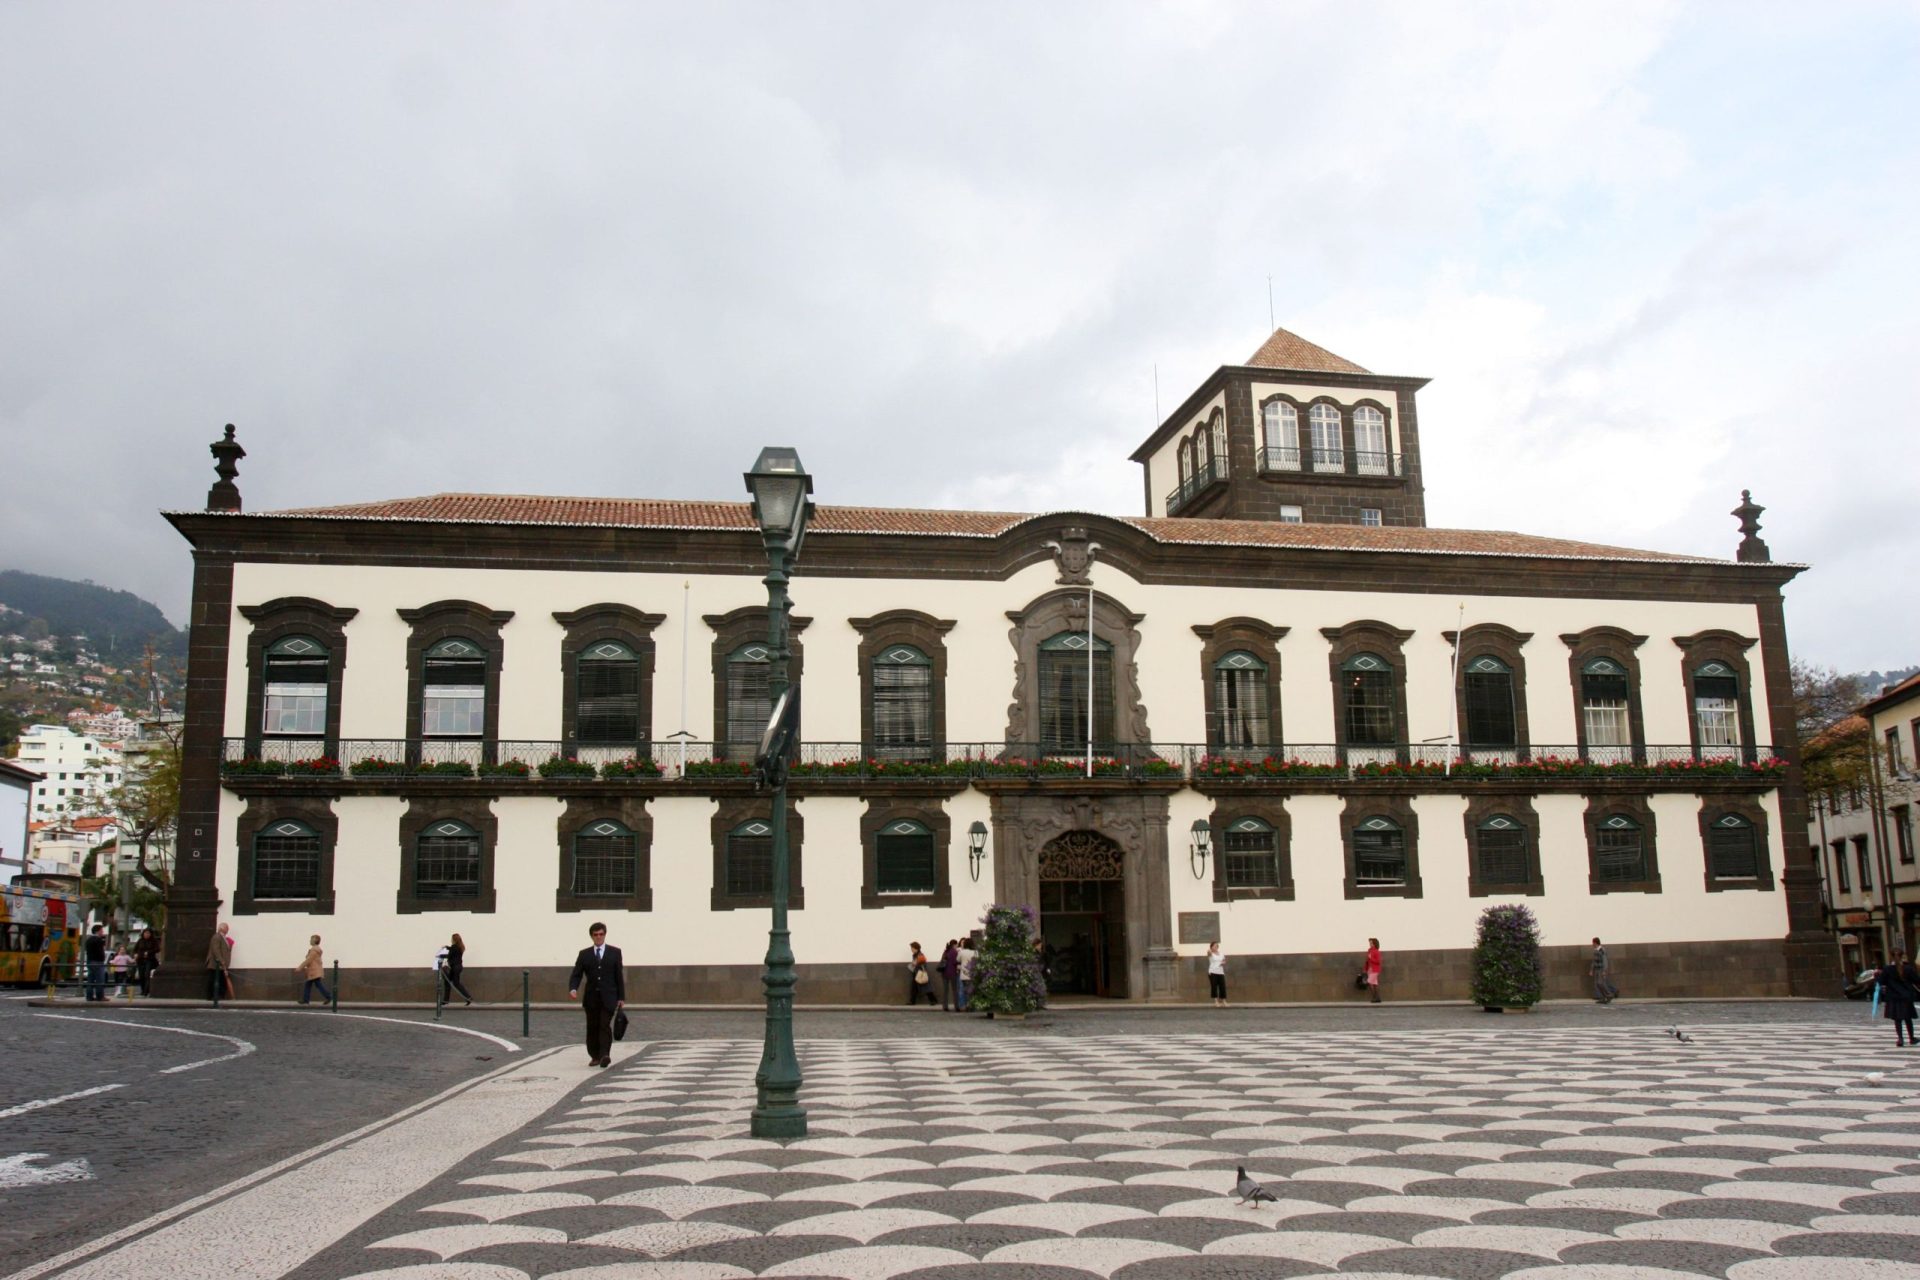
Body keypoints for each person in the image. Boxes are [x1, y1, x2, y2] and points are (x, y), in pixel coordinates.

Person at [567, 921, 625, 1068]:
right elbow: (577, 974)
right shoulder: (584, 954)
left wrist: (621, 997)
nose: (599, 937)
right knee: (592, 1026)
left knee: (604, 1025)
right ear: (592, 936)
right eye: (596, 935)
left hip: (609, 997)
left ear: (605, 934)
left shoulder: (615, 952)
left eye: (601, 934)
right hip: (591, 997)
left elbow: (619, 976)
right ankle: (594, 1056)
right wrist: (573, 988)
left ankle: (605, 1054)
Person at [1877, 949, 1918, 1048]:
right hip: (1906, 996)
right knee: (1908, 1018)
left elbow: (1881, 981)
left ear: (1891, 956)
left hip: (1893, 997)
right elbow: (1916, 980)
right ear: (1902, 956)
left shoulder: (1887, 969)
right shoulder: (1908, 968)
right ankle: (1911, 1037)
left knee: (1897, 1019)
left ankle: (1900, 1038)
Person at [297, 934, 332, 1005]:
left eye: (311, 939)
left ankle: (328, 996)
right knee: (311, 984)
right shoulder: (315, 949)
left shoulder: (314, 950)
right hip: (315, 970)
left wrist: (300, 967)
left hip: (314, 971)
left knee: (317, 985)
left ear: (315, 940)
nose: (310, 940)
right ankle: (306, 999)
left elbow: (308, 960)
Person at [442, 932, 473, 1006]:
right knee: (448, 982)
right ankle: (446, 1000)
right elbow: (452, 950)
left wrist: (442, 954)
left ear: (454, 940)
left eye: (451, 939)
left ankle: (468, 997)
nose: (451, 940)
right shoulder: (460, 946)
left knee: (455, 983)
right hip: (458, 967)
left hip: (455, 968)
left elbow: (449, 955)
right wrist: (447, 947)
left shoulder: (454, 947)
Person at [205, 921, 233, 1002]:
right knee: (214, 980)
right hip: (215, 964)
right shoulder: (217, 937)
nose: (228, 930)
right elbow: (216, 950)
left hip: (220, 965)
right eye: (227, 928)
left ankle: (219, 995)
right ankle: (211, 996)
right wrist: (221, 961)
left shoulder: (222, 937)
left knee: (221, 980)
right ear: (222, 928)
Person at [84, 925, 109, 1002]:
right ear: (98, 931)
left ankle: (89, 996)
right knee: (100, 980)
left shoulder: (88, 940)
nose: (103, 932)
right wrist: (103, 957)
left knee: (90, 980)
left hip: (90, 961)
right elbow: (100, 952)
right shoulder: (98, 940)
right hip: (98, 961)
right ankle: (100, 996)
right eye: (102, 930)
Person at [1591, 937, 1618, 1004]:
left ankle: (1609, 995)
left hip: (1601, 969)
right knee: (1598, 984)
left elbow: (1605, 961)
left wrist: (1604, 971)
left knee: (1601, 983)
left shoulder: (1602, 950)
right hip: (1597, 969)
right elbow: (1594, 961)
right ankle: (1604, 997)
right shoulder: (1595, 950)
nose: (1592, 944)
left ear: (1595, 942)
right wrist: (1591, 970)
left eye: (1593, 943)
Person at [133, 927, 160, 997]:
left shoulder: (153, 941)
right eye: (145, 933)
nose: (146, 935)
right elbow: (135, 949)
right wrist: (136, 954)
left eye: (148, 933)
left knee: (147, 975)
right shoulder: (140, 940)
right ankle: (142, 990)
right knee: (141, 975)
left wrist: (149, 952)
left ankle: (146, 991)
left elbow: (157, 949)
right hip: (140, 960)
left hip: (149, 960)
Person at [955, 936, 977, 1012]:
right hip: (973, 974)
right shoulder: (975, 952)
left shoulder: (962, 952)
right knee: (972, 991)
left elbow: (957, 959)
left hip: (963, 974)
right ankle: (972, 1005)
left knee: (963, 991)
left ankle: (963, 1006)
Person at [939, 940, 960, 1012]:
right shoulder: (954, 952)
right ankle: (956, 1006)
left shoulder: (946, 951)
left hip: (944, 973)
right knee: (955, 990)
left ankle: (945, 1006)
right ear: (954, 945)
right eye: (956, 944)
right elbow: (955, 962)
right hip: (952, 973)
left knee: (945, 990)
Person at [1207, 941, 1227, 1007]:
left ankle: (1224, 1001)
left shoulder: (1221, 953)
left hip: (1220, 972)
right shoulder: (1211, 954)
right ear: (1211, 947)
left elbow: (1224, 960)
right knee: (1214, 987)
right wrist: (1210, 950)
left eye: (1216, 945)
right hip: (1213, 972)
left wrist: (1223, 962)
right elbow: (1208, 952)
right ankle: (1216, 1001)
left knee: (1222, 986)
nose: (1215, 947)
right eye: (1214, 946)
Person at [1364, 937, 1382, 1004]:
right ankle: (1378, 997)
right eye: (1370, 943)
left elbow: (1378, 961)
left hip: (1375, 969)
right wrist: (1365, 968)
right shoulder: (1369, 951)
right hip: (1370, 969)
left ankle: (1374, 997)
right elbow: (1367, 961)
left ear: (1374, 944)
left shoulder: (1376, 951)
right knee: (1374, 984)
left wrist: (1371, 958)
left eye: (1371, 943)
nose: (1370, 944)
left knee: (1370, 982)